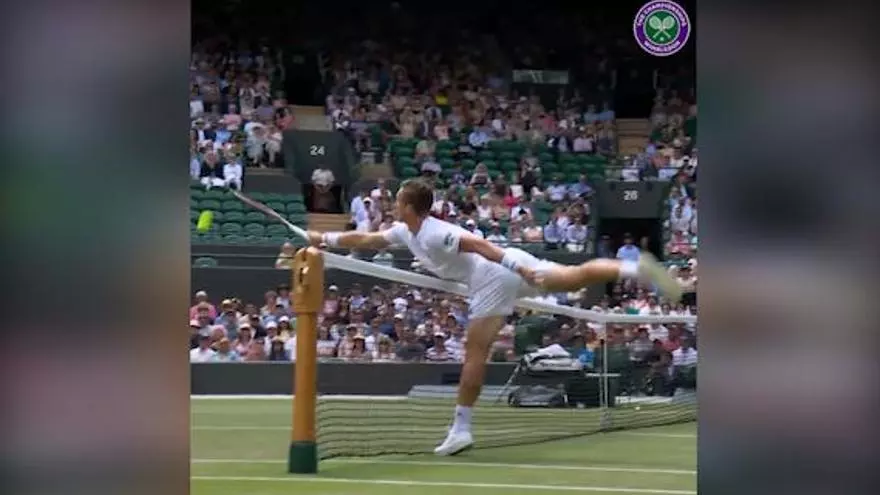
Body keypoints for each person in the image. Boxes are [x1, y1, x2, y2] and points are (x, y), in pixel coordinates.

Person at [305, 178, 680, 456]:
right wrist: (324, 240)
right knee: (575, 275)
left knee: (474, 353)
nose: (392, 205)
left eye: (397, 201)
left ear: (409, 206)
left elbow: (481, 246)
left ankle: (462, 428)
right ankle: (635, 269)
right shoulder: (405, 230)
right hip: (511, 270)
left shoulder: (437, 233)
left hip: (494, 276)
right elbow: (367, 241)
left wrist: (516, 267)